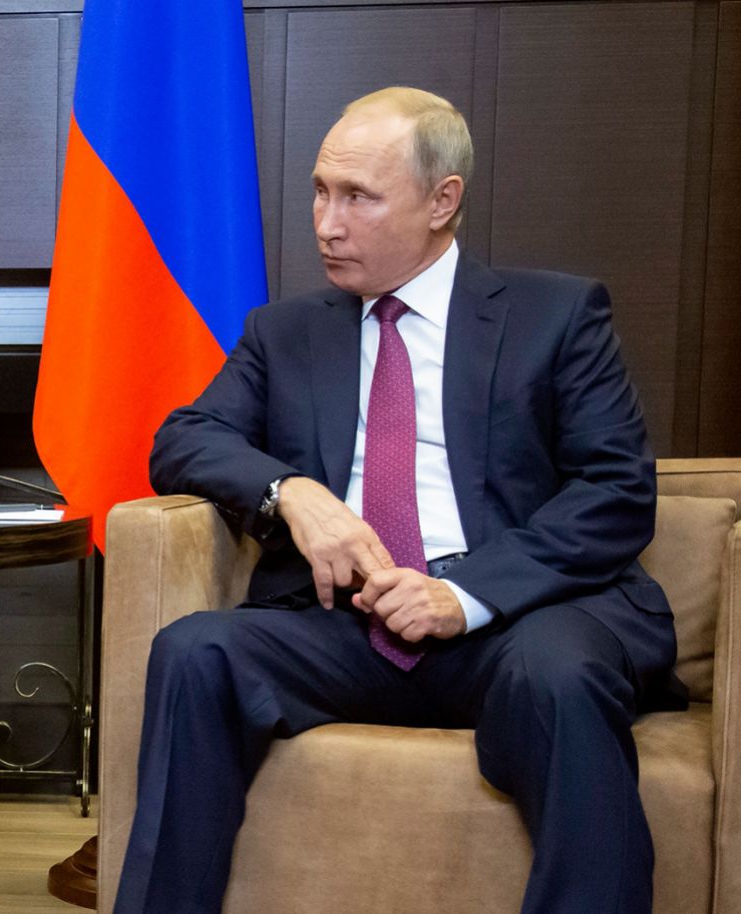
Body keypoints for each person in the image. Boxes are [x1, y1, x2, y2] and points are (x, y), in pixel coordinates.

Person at [114, 86, 682, 913]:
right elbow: (183, 440)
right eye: (319, 190)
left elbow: (618, 491)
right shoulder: (286, 331)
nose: (326, 223)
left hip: (516, 623)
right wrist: (292, 491)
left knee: (561, 674)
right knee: (197, 653)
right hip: (342, 627)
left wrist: (465, 594)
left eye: (358, 197)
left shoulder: (554, 315)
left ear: (442, 201)